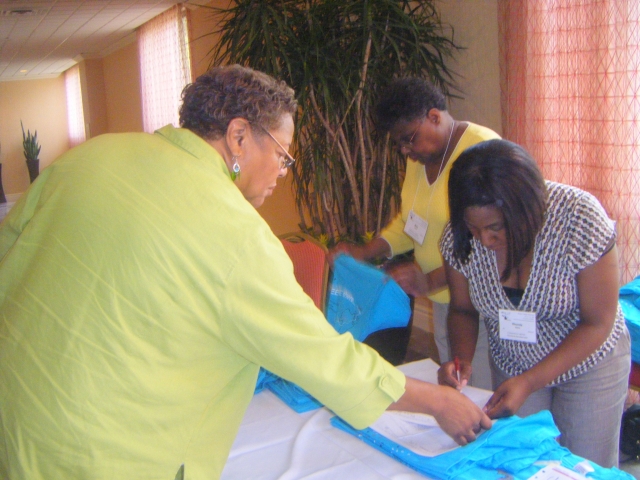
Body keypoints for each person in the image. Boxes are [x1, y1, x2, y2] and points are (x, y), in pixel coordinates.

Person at [0, 65, 491, 479]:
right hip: (106, 456)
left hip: (16, 418)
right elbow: (325, 360)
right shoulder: (233, 232)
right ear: (238, 136)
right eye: (282, 154)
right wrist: (437, 403)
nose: (282, 172)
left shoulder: (88, 158)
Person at [437, 139, 631, 468]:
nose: (485, 240)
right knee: (524, 462)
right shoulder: (459, 238)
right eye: (474, 228)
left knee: (585, 466)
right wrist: (461, 359)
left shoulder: (580, 219)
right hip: (513, 361)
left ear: (526, 209)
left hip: (588, 362)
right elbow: (462, 309)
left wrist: (530, 381)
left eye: (496, 228)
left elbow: (598, 322)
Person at [330, 77, 499, 388]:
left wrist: (429, 280)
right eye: (399, 144)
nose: (406, 150)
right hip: (443, 301)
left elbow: (489, 241)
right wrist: (367, 251)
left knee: (480, 394)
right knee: (454, 388)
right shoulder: (422, 158)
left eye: (409, 139)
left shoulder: (481, 149)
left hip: (481, 306)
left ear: (434, 117)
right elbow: (412, 223)